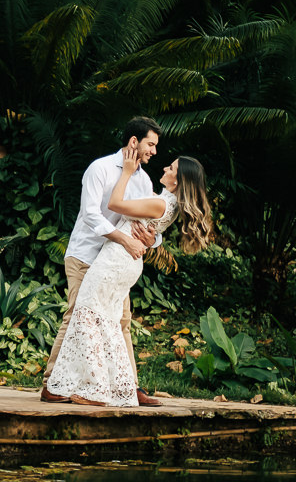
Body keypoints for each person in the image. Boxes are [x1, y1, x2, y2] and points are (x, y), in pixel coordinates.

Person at [44, 147, 212, 407]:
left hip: (115, 261)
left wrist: (127, 174)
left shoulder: (157, 198)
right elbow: (148, 223)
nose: (164, 167)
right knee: (107, 321)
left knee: (87, 315)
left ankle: (95, 388)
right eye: (153, 147)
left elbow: (115, 204)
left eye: (171, 168)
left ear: (178, 181)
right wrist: (153, 237)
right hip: (119, 259)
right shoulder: (165, 201)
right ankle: (117, 385)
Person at [42, 117, 164, 407]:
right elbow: (90, 214)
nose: (154, 151)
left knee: (121, 320)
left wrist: (151, 240)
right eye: (151, 144)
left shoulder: (143, 180)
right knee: (76, 315)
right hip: (86, 255)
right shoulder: (100, 169)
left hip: (113, 264)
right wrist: (124, 240)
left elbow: (150, 224)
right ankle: (51, 384)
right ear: (134, 142)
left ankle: (128, 386)